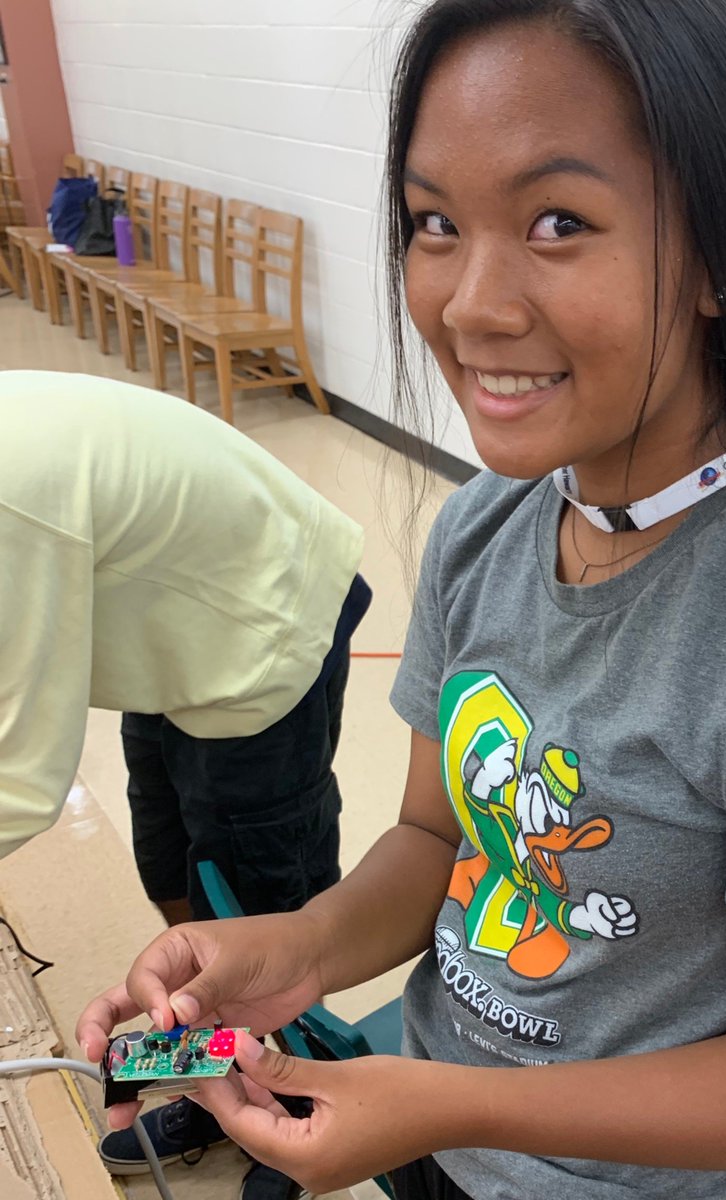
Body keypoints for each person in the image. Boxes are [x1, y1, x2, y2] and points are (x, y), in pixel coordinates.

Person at [77, 3, 726, 1198]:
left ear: (720, 254)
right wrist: (296, 950)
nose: (468, 305)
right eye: (435, 222)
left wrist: (446, 1103)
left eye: (559, 221)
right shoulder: (483, 529)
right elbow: (434, 839)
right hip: (436, 1138)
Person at [0, 370, 369, 1198]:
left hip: (261, 623)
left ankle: (292, 1107)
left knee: (258, 895)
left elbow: (22, 783)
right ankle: (217, 1064)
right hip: (181, 623)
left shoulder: (6, 503)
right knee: (171, 868)